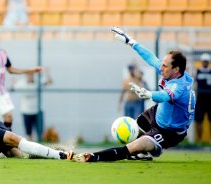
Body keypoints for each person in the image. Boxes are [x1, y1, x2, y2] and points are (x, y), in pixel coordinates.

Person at [73, 27, 196, 162]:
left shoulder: (179, 86)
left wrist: (149, 94)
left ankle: (94, 157)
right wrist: (130, 41)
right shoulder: (173, 73)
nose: (160, 67)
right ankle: (144, 153)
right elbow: (150, 57)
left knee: (135, 146)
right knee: (136, 127)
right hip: (158, 114)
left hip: (170, 131)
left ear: (176, 69)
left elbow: (165, 96)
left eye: (165, 66)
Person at [0, 29, 40, 131]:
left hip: (2, 92)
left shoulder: (3, 53)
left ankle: (7, 142)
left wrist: (30, 70)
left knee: (9, 116)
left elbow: (11, 69)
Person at [12, 67, 53, 142]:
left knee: (40, 133)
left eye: (31, 75)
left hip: (37, 111)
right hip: (26, 111)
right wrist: (13, 83)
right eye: (28, 74)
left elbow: (49, 82)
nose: (30, 76)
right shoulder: (22, 83)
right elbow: (13, 88)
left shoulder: (38, 81)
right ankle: (30, 149)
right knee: (28, 133)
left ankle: (41, 148)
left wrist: (47, 73)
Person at [194, 53, 211, 143]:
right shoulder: (197, 71)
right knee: (198, 120)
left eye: (206, 61)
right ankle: (199, 140)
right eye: (204, 61)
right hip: (200, 99)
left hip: (209, 98)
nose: (205, 63)